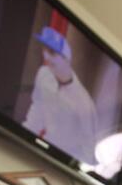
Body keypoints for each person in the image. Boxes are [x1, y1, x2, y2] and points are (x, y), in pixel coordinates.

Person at [24, 12, 99, 165]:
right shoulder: (43, 75)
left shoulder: (84, 103)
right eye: (45, 50)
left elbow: (88, 150)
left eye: (52, 53)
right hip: (36, 153)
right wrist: (21, 137)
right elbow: (36, 112)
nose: (46, 57)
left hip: (62, 164)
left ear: (66, 59)